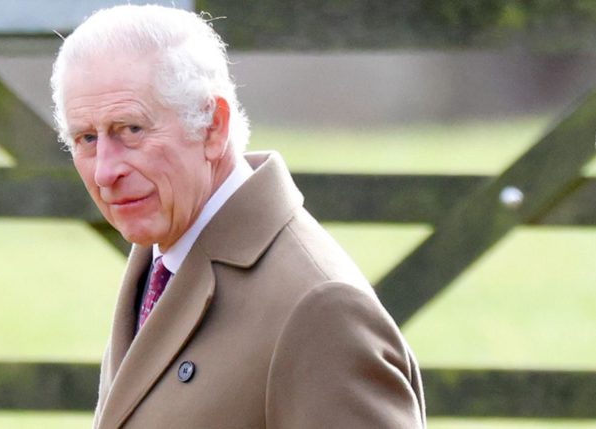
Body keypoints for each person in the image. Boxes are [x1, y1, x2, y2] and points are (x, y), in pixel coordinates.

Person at [50, 4, 426, 428]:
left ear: (212, 127)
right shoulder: (160, 258)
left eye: (131, 130)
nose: (104, 171)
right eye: (85, 138)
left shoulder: (321, 309)